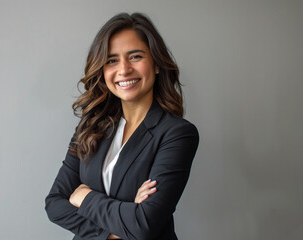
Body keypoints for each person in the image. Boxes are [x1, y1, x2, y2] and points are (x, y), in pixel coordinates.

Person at [45, 12, 199, 240]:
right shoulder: (90, 127)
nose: (124, 69)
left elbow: (144, 224)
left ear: (156, 64)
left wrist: (84, 197)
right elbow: (55, 204)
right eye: (112, 60)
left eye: (135, 57)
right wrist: (115, 232)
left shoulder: (177, 134)